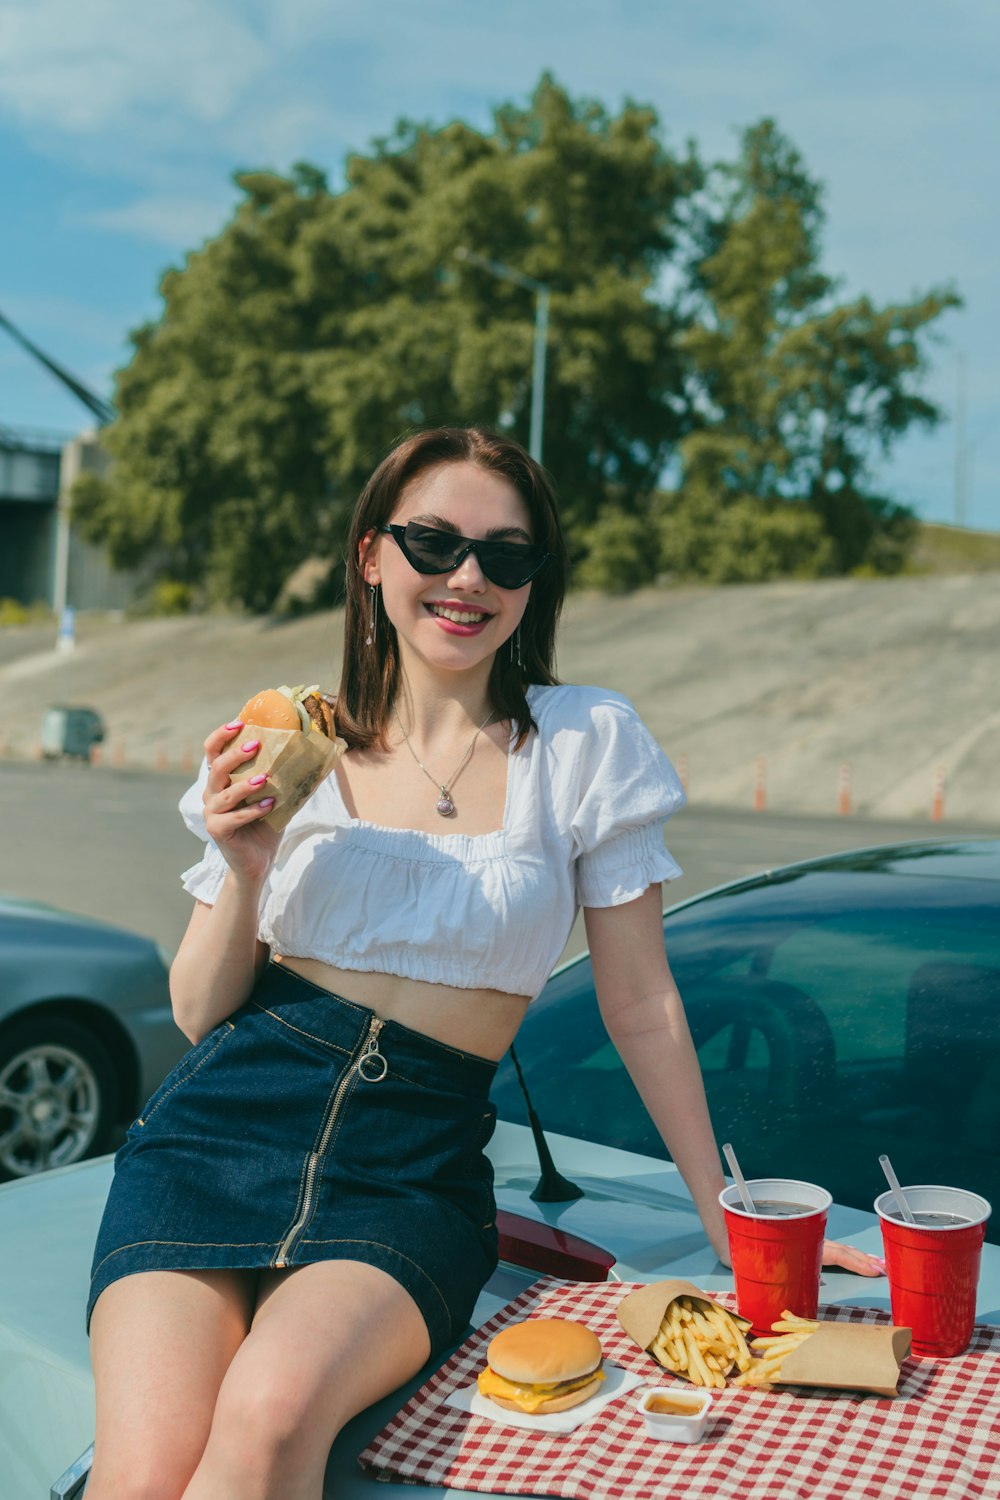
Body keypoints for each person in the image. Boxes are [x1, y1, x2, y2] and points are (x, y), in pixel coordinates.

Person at [86, 426, 880, 1500]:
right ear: (372, 556)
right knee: (140, 1475)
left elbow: (641, 1001)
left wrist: (724, 1221)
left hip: (407, 1170)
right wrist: (245, 866)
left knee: (272, 1420)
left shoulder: (584, 744)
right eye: (434, 543)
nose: (467, 579)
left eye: (504, 556)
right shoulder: (287, 743)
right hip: (216, 1130)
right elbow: (196, 1011)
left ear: (531, 582)